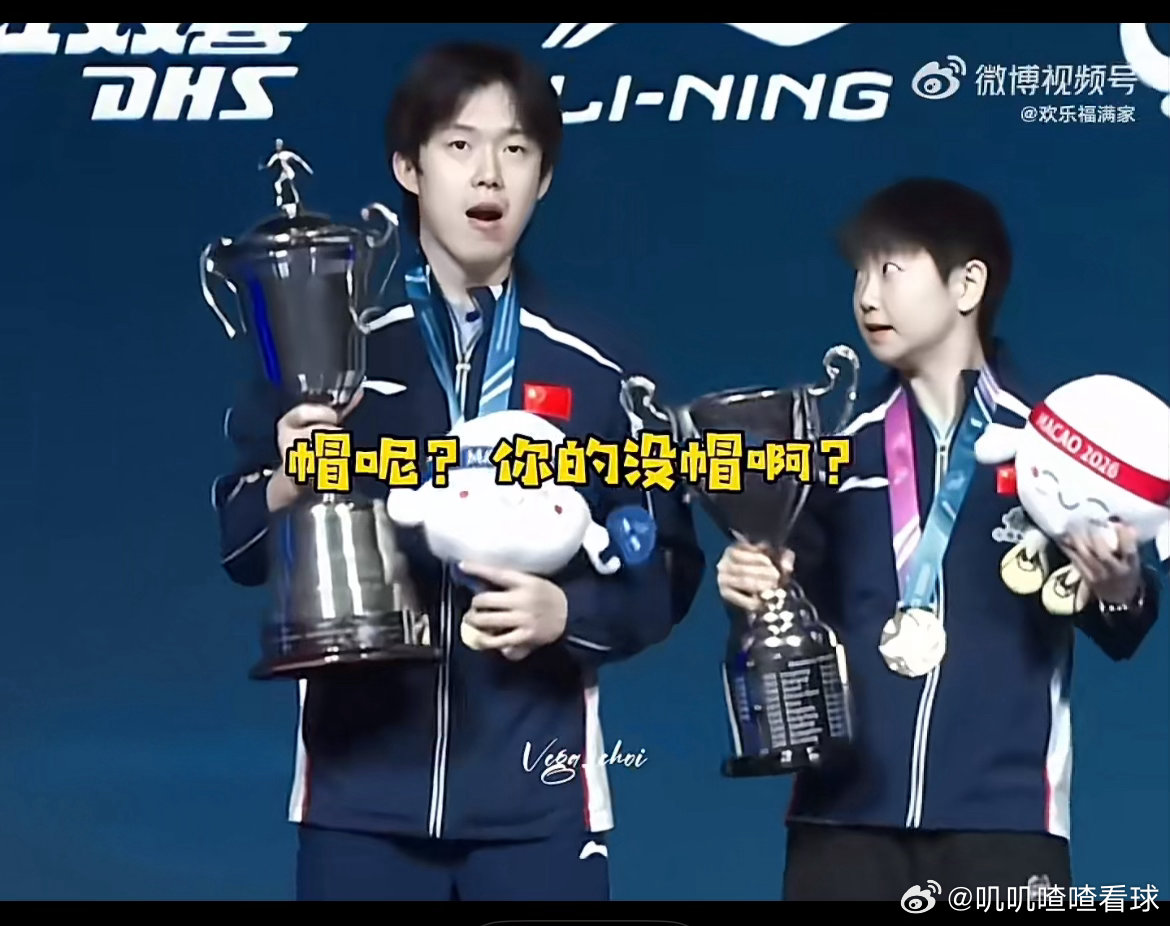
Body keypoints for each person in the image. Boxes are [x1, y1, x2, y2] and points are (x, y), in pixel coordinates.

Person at [212, 41, 704, 902]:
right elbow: (239, 545)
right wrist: (289, 482)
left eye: (516, 149)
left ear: (544, 178)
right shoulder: (330, 345)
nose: (489, 174)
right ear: (408, 167)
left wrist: (570, 613)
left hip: (540, 808)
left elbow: (668, 564)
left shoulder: (601, 365)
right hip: (357, 803)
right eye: (459, 145)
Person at [715, 177, 1163, 902]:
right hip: (842, 819)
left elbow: (1125, 625)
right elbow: (794, 602)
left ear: (967, 285)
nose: (867, 297)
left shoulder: (1051, 448)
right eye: (859, 274)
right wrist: (753, 580)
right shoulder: (834, 451)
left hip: (1005, 820)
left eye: (890, 269)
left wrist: (1119, 589)